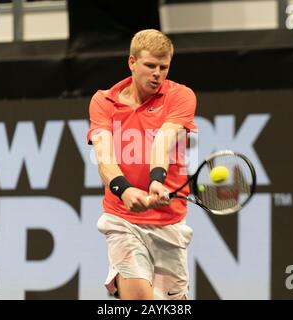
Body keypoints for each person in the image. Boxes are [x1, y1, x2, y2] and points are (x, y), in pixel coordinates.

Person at [87, 29, 197, 300]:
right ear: (132, 63)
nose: (157, 73)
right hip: (122, 219)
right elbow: (104, 156)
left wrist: (156, 181)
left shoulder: (181, 96)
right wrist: (123, 189)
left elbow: (164, 139)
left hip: (168, 222)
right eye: (150, 66)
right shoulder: (104, 101)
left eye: (164, 67)